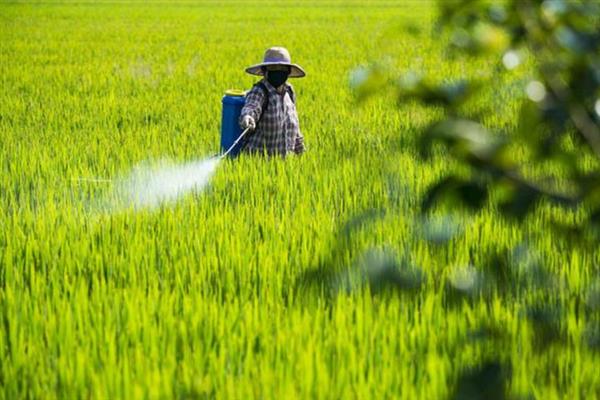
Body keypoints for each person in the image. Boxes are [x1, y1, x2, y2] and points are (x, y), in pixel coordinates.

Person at [239, 46, 306, 156]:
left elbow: (295, 129)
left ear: (288, 72)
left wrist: (301, 153)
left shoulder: (289, 91)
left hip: (283, 166)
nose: (278, 71)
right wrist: (248, 117)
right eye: (273, 67)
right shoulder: (260, 91)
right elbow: (251, 107)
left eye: (282, 68)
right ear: (265, 71)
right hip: (257, 165)